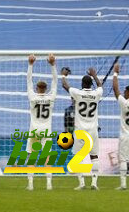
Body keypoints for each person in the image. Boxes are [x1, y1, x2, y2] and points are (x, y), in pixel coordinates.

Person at [62, 64, 102, 190]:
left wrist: (63, 74)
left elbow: (65, 85)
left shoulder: (77, 93)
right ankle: (94, 183)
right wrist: (94, 75)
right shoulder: (96, 94)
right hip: (93, 129)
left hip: (80, 130)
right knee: (94, 156)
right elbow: (100, 86)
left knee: (77, 157)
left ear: (82, 84)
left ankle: (82, 183)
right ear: (90, 84)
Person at [25, 54, 57, 191]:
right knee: (47, 156)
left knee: (32, 156)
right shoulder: (51, 97)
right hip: (46, 130)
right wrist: (52, 65)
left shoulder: (32, 96)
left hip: (34, 129)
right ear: (46, 88)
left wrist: (30, 65)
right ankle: (49, 184)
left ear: (37, 88)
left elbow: (28, 80)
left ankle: (31, 184)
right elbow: (55, 81)